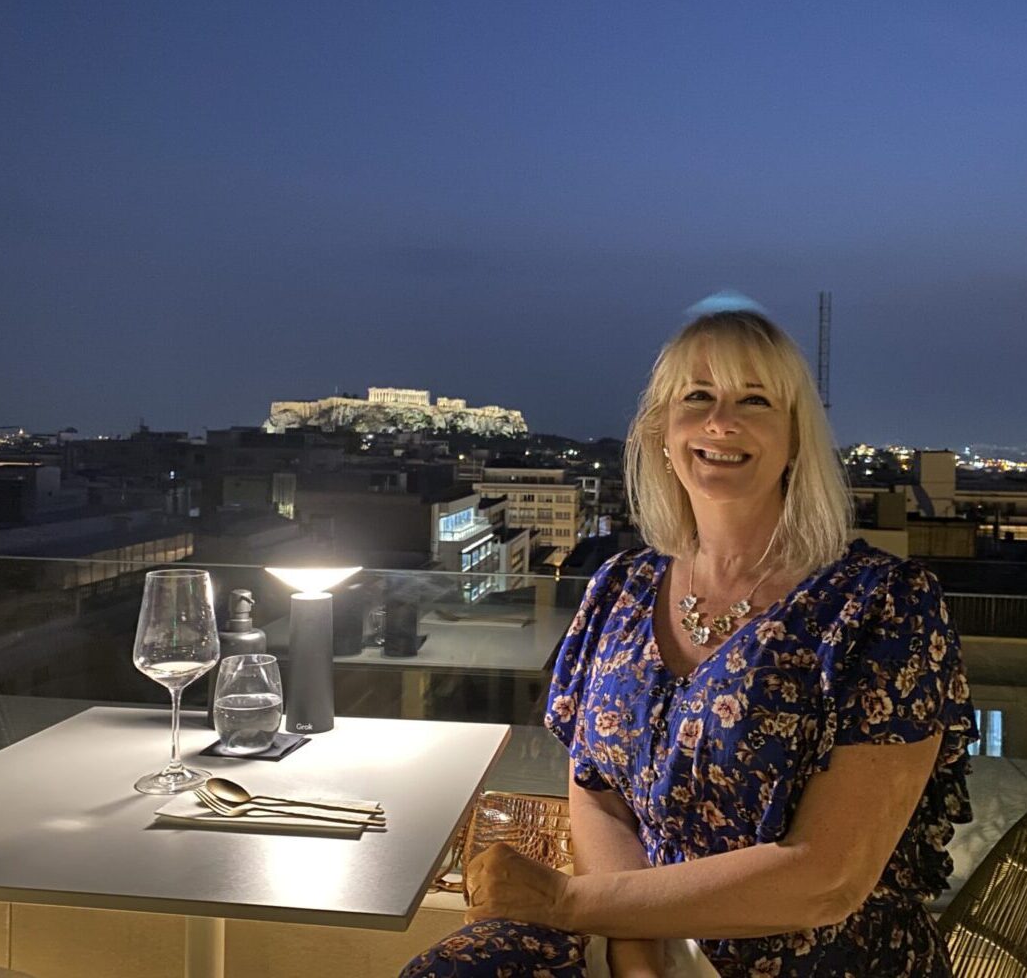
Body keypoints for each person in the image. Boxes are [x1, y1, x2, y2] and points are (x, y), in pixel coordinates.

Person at [400, 307, 977, 978]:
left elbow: (829, 878)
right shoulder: (621, 587)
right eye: (697, 397)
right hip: (637, 937)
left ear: (796, 438)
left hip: (823, 959)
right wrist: (636, 950)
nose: (720, 423)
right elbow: (598, 793)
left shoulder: (881, 604)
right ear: (661, 434)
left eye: (753, 401)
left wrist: (568, 901)